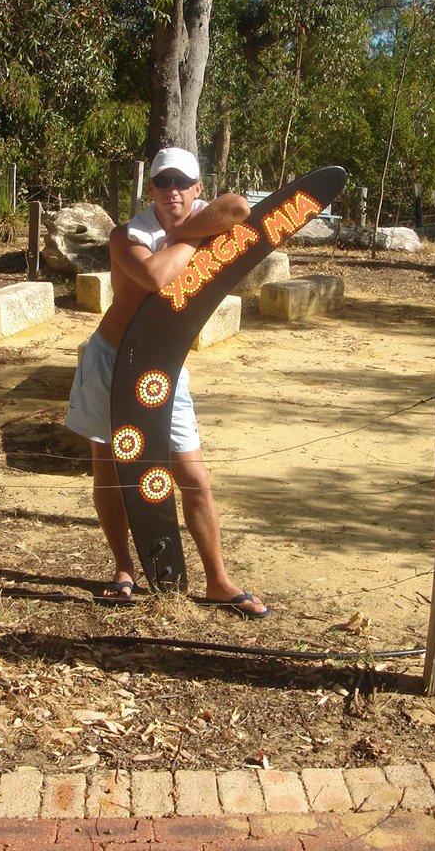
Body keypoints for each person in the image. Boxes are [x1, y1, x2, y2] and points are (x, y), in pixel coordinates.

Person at [65, 147, 269, 618]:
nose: (172, 190)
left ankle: (217, 579)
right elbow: (156, 275)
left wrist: (181, 229)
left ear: (198, 188)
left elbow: (241, 208)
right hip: (112, 361)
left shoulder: (202, 214)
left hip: (164, 369)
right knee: (110, 470)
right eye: (163, 182)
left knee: (192, 474)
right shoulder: (129, 234)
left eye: (182, 182)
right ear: (150, 188)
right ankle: (122, 568)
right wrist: (192, 238)